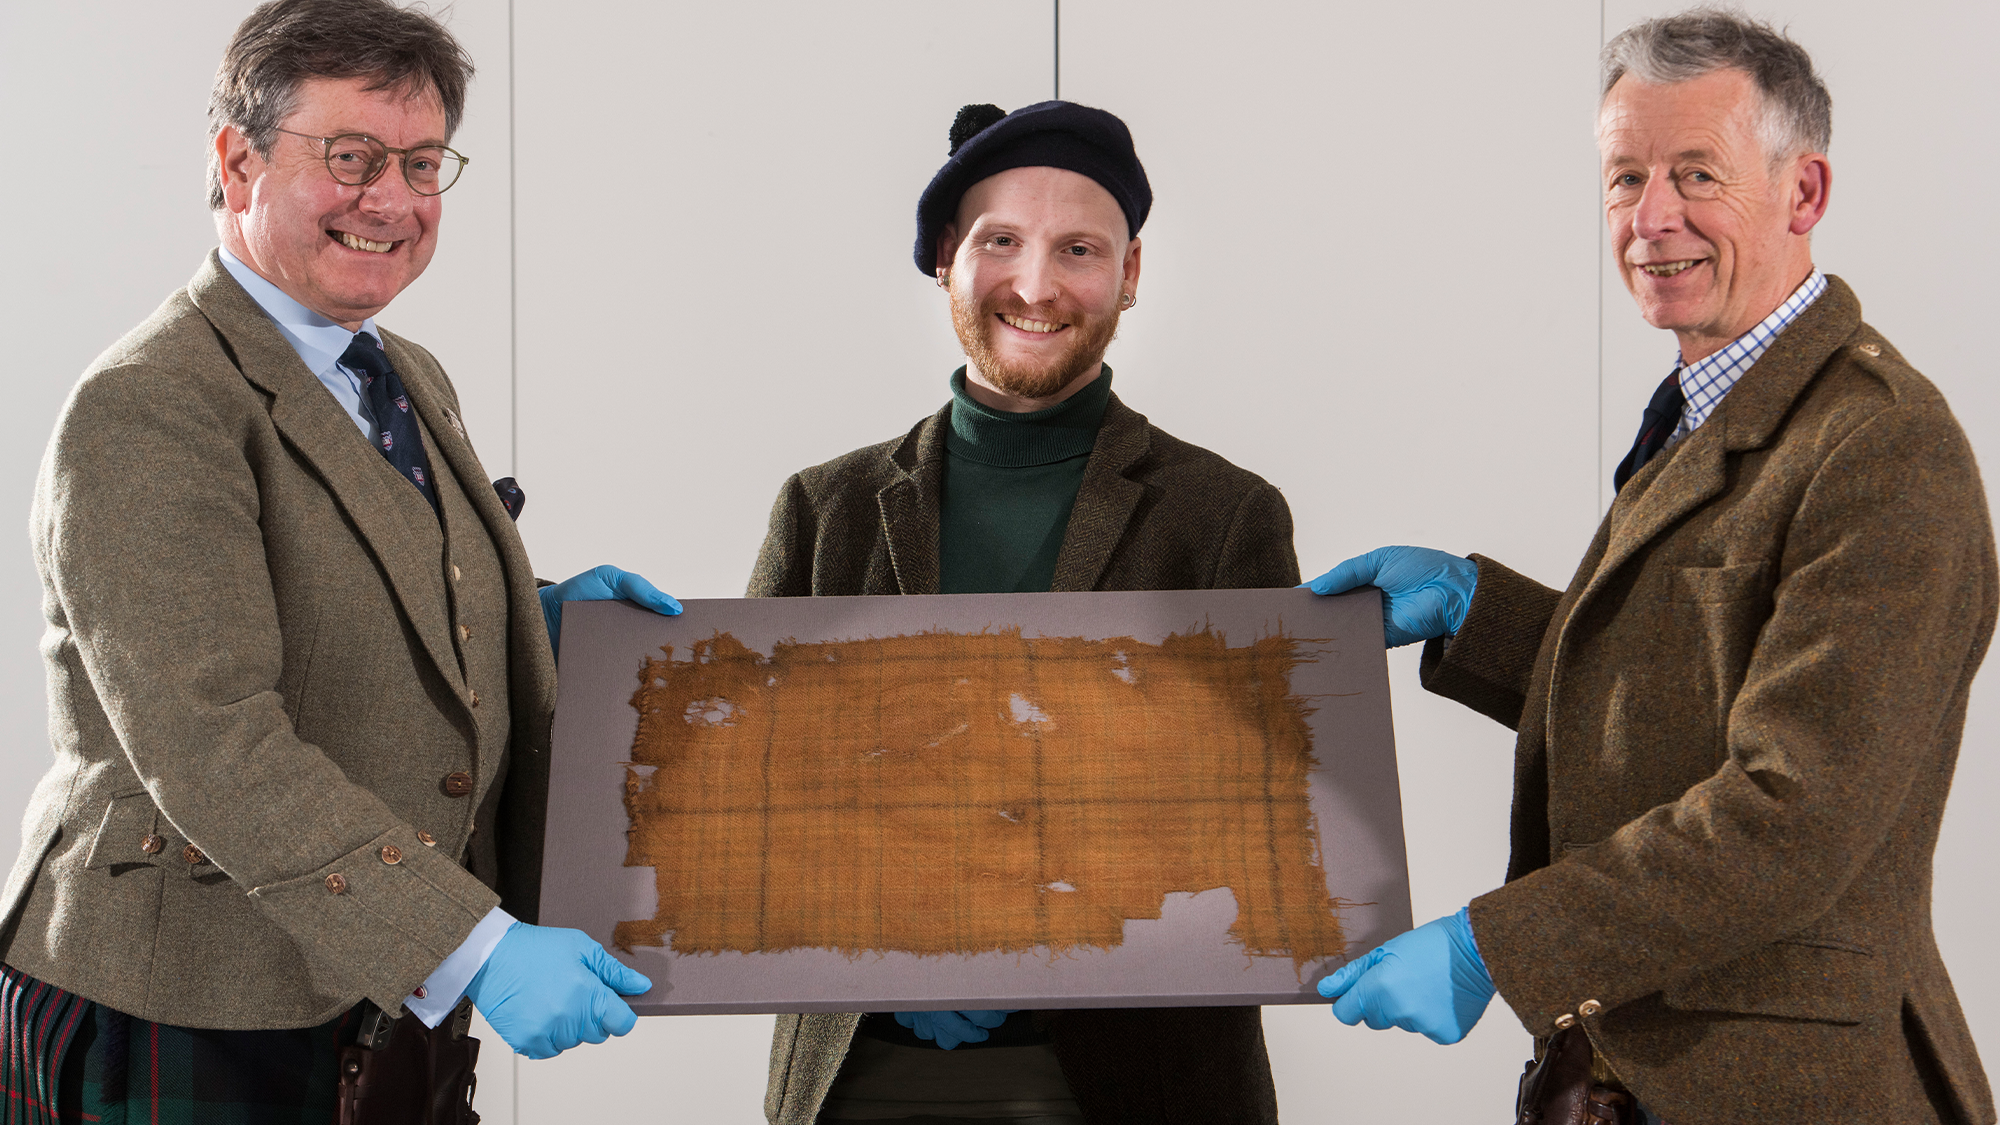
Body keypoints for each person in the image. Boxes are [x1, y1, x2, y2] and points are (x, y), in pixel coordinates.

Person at [1308, 11, 1995, 1124]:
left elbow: (1792, 815)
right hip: (1629, 1074)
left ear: (1803, 193)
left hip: (1791, 1091)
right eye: (1625, 177)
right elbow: (1690, 692)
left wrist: (1495, 948)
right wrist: (1478, 616)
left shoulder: (1880, 444)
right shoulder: (1710, 404)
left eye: (1696, 174)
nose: (1650, 217)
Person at [0, 1, 680, 1119]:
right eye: (352, 157)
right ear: (238, 163)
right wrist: (473, 946)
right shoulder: (151, 404)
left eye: (421, 163)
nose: (393, 200)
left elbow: (348, 582)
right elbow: (212, 740)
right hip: (191, 1002)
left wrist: (531, 620)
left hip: (372, 988)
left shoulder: (403, 371)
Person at [752, 101, 1298, 1125]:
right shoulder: (823, 511)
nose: (1036, 286)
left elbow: (1260, 830)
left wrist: (1030, 939)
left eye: (1078, 249)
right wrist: (898, 946)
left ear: (1129, 273)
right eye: (999, 241)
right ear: (945, 258)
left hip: (1136, 1081)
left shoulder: (1224, 517)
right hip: (861, 1075)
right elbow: (754, 807)